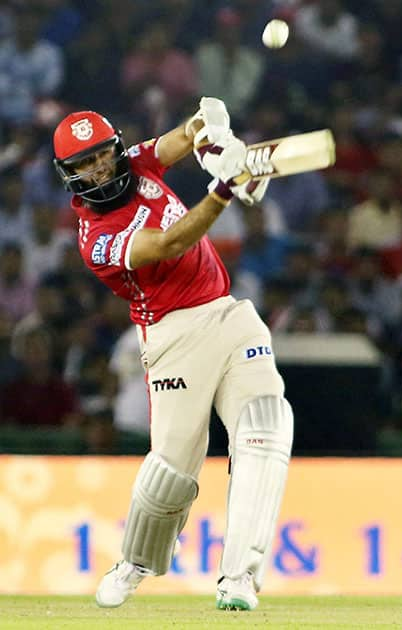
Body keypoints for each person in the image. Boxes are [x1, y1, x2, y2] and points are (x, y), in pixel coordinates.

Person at [52, 98, 294, 611]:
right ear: (68, 175)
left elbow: (184, 134)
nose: (99, 168)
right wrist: (225, 189)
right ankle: (136, 561)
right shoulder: (95, 238)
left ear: (115, 148)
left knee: (266, 425)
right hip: (172, 337)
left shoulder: (134, 162)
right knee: (172, 470)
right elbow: (165, 245)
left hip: (228, 314)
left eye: (102, 154)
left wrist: (217, 135)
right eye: (83, 164)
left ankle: (240, 578)